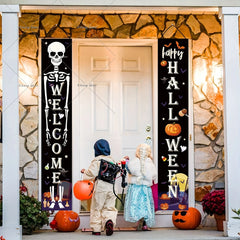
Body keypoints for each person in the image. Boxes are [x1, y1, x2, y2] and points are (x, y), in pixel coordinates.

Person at [81, 139, 119, 236]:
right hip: (112, 187)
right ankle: (109, 221)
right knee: (109, 207)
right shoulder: (112, 160)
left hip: (101, 187)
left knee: (97, 207)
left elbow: (91, 174)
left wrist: (84, 172)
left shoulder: (97, 161)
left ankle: (96, 229)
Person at [124, 143, 157, 231]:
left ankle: (138, 221)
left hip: (135, 187)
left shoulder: (134, 162)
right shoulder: (149, 163)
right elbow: (154, 175)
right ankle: (145, 224)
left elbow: (131, 170)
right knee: (145, 205)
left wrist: (126, 163)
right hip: (145, 188)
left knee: (136, 204)